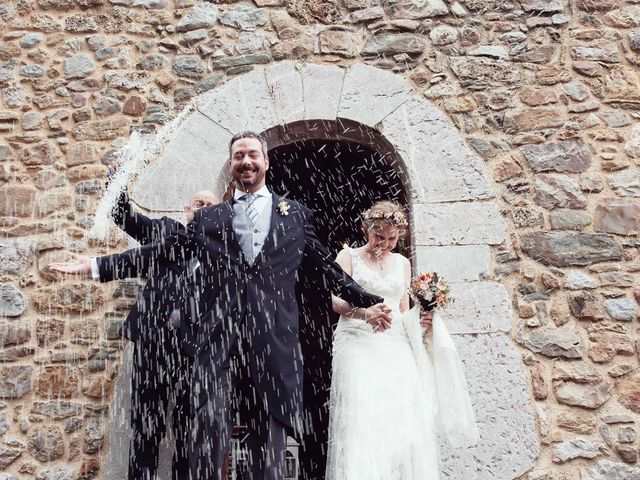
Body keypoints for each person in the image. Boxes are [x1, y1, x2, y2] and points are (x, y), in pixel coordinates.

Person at [51, 131, 390, 480]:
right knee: (206, 445)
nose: (246, 161)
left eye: (253, 155)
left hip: (272, 347)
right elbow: (161, 252)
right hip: (217, 348)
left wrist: (371, 301)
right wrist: (97, 265)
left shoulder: (296, 216)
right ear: (231, 163)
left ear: (265, 161)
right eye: (239, 155)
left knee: (266, 453)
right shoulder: (209, 219)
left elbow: (325, 267)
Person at [72, 166, 220, 479]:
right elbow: (127, 218)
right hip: (153, 343)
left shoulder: (224, 251)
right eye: (199, 204)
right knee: (144, 428)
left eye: (212, 206)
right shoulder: (168, 231)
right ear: (187, 210)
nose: (205, 210)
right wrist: (116, 184)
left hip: (194, 351)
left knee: (188, 432)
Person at [326, 201, 478, 480]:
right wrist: (364, 314)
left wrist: (424, 321)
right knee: (364, 418)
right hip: (357, 342)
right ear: (365, 229)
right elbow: (335, 302)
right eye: (378, 236)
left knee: (404, 422)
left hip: (395, 345)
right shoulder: (348, 257)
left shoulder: (403, 263)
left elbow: (403, 310)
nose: (384, 243)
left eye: (392, 238)